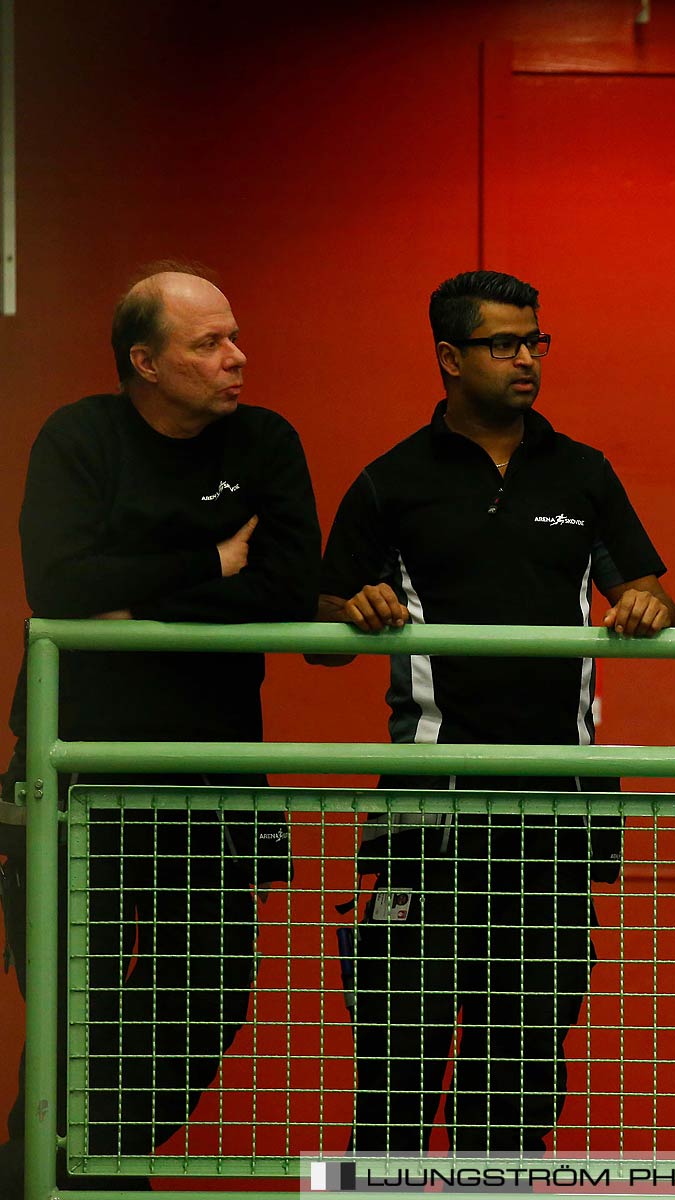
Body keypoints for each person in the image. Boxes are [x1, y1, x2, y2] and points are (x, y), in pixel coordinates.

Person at [311, 269, 675, 1153]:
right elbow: (321, 630)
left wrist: (647, 607)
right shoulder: (388, 481)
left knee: (519, 1080)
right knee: (397, 1080)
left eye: (535, 341)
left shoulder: (583, 471)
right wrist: (352, 611)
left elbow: (655, 595)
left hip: (557, 817)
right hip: (424, 820)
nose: (526, 359)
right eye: (503, 343)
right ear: (448, 356)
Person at [3, 264, 319, 1182]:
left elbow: (287, 588)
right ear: (144, 361)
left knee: (204, 1002)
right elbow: (58, 587)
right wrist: (209, 561)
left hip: (210, 777)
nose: (237, 357)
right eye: (209, 343)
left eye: (233, 335)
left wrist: (138, 605)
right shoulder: (79, 438)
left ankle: (86, 1167)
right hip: (72, 775)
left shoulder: (264, 441)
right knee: (74, 1010)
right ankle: (66, 1175)